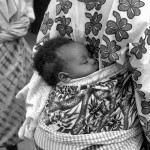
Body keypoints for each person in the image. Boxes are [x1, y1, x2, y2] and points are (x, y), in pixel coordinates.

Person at [16, 0, 150, 149]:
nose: (93, 61)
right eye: (84, 61)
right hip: (68, 136)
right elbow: (146, 81)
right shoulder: (136, 8)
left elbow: (43, 45)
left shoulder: (59, 3)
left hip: (52, 139)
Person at [0, 0, 35, 150]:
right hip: (9, 40)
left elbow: (26, 7)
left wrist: (23, 21)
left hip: (15, 48)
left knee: (13, 104)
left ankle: (11, 141)